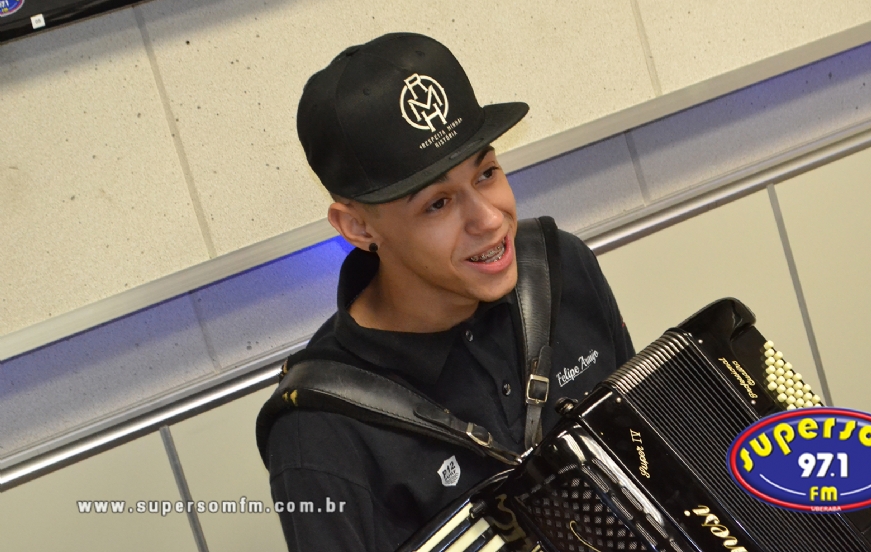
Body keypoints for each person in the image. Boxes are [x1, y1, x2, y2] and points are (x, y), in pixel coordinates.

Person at [263, 32, 636, 551]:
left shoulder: (561, 267)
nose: (490, 220)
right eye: (437, 204)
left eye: (486, 173)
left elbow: (645, 466)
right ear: (357, 227)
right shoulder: (319, 430)